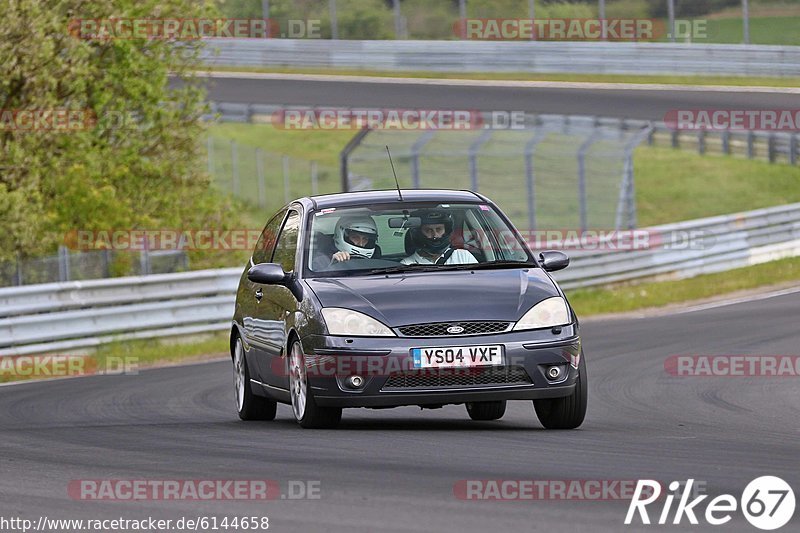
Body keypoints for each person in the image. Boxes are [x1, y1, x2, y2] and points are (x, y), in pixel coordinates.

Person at [401, 209, 478, 265]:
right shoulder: (407, 264)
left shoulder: (463, 256)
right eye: (428, 230)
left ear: (446, 230)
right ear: (419, 233)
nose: (435, 235)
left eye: (439, 229)